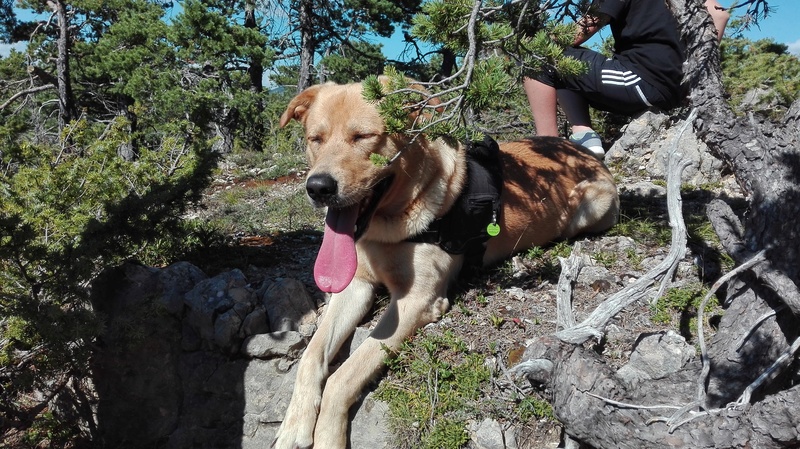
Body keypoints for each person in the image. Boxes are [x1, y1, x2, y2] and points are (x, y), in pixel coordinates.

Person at [524, 0, 729, 159]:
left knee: (538, 59)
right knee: (567, 68)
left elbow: (583, 29)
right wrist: (694, 79)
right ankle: (583, 135)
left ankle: (548, 150)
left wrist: (536, 45)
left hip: (639, 81)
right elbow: (720, 16)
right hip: (672, 90)